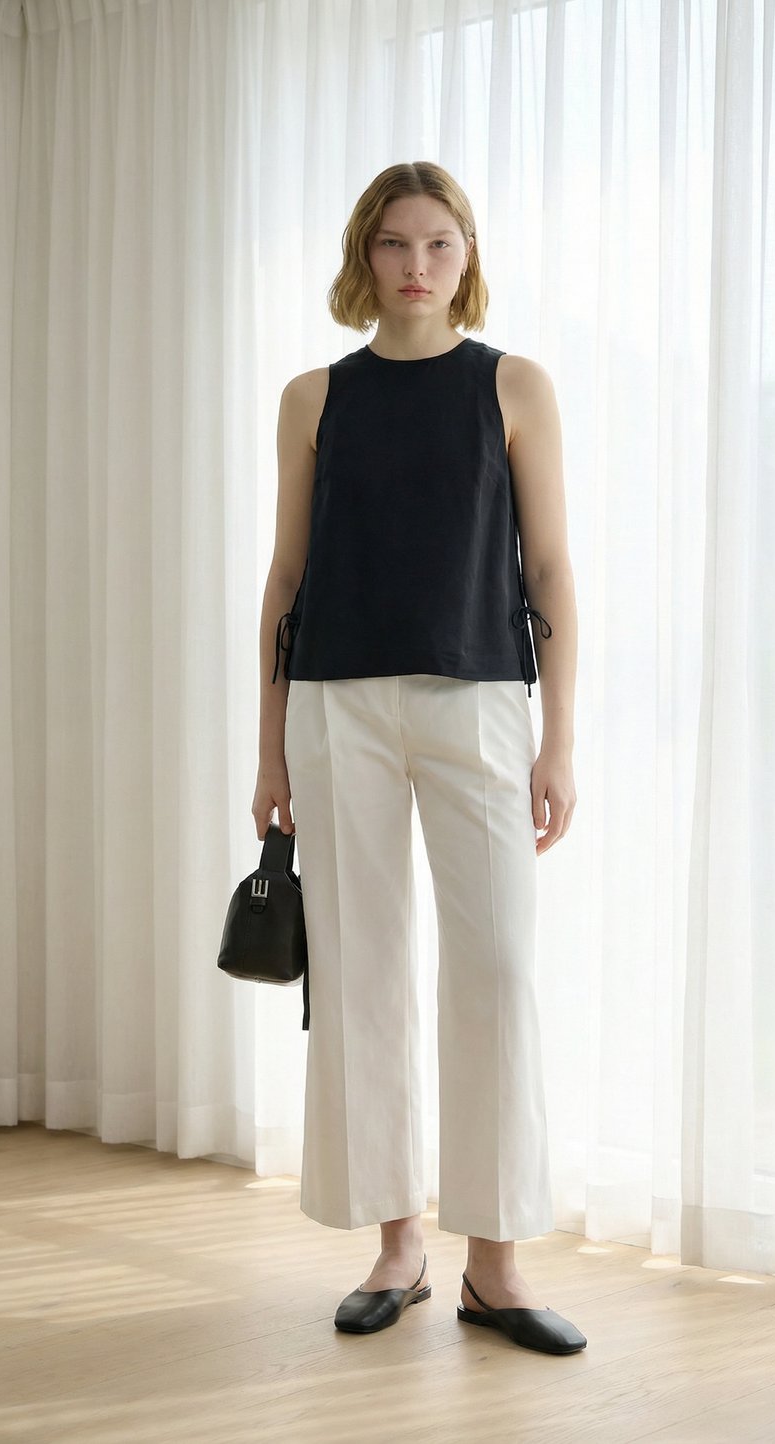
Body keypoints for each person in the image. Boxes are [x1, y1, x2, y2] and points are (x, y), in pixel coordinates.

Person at [252, 162, 584, 1356]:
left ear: (466, 255)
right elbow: (287, 578)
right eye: (394, 243)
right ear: (365, 255)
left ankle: (495, 1264)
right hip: (334, 703)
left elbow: (549, 570)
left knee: (495, 968)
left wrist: (559, 740)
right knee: (361, 968)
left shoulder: (514, 386)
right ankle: (397, 1246)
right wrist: (267, 752)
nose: (415, 265)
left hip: (479, 698)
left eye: (438, 243)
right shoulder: (313, 398)